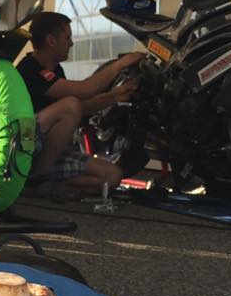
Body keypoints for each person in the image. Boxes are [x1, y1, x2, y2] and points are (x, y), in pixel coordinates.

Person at [16, 11, 143, 196]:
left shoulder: (56, 70)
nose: (71, 43)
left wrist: (115, 96)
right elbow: (84, 91)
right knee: (70, 105)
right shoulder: (29, 68)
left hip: (47, 151)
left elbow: (80, 108)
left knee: (112, 177)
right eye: (67, 37)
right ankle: (40, 178)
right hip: (23, 143)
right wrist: (119, 65)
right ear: (51, 41)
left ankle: (41, 186)